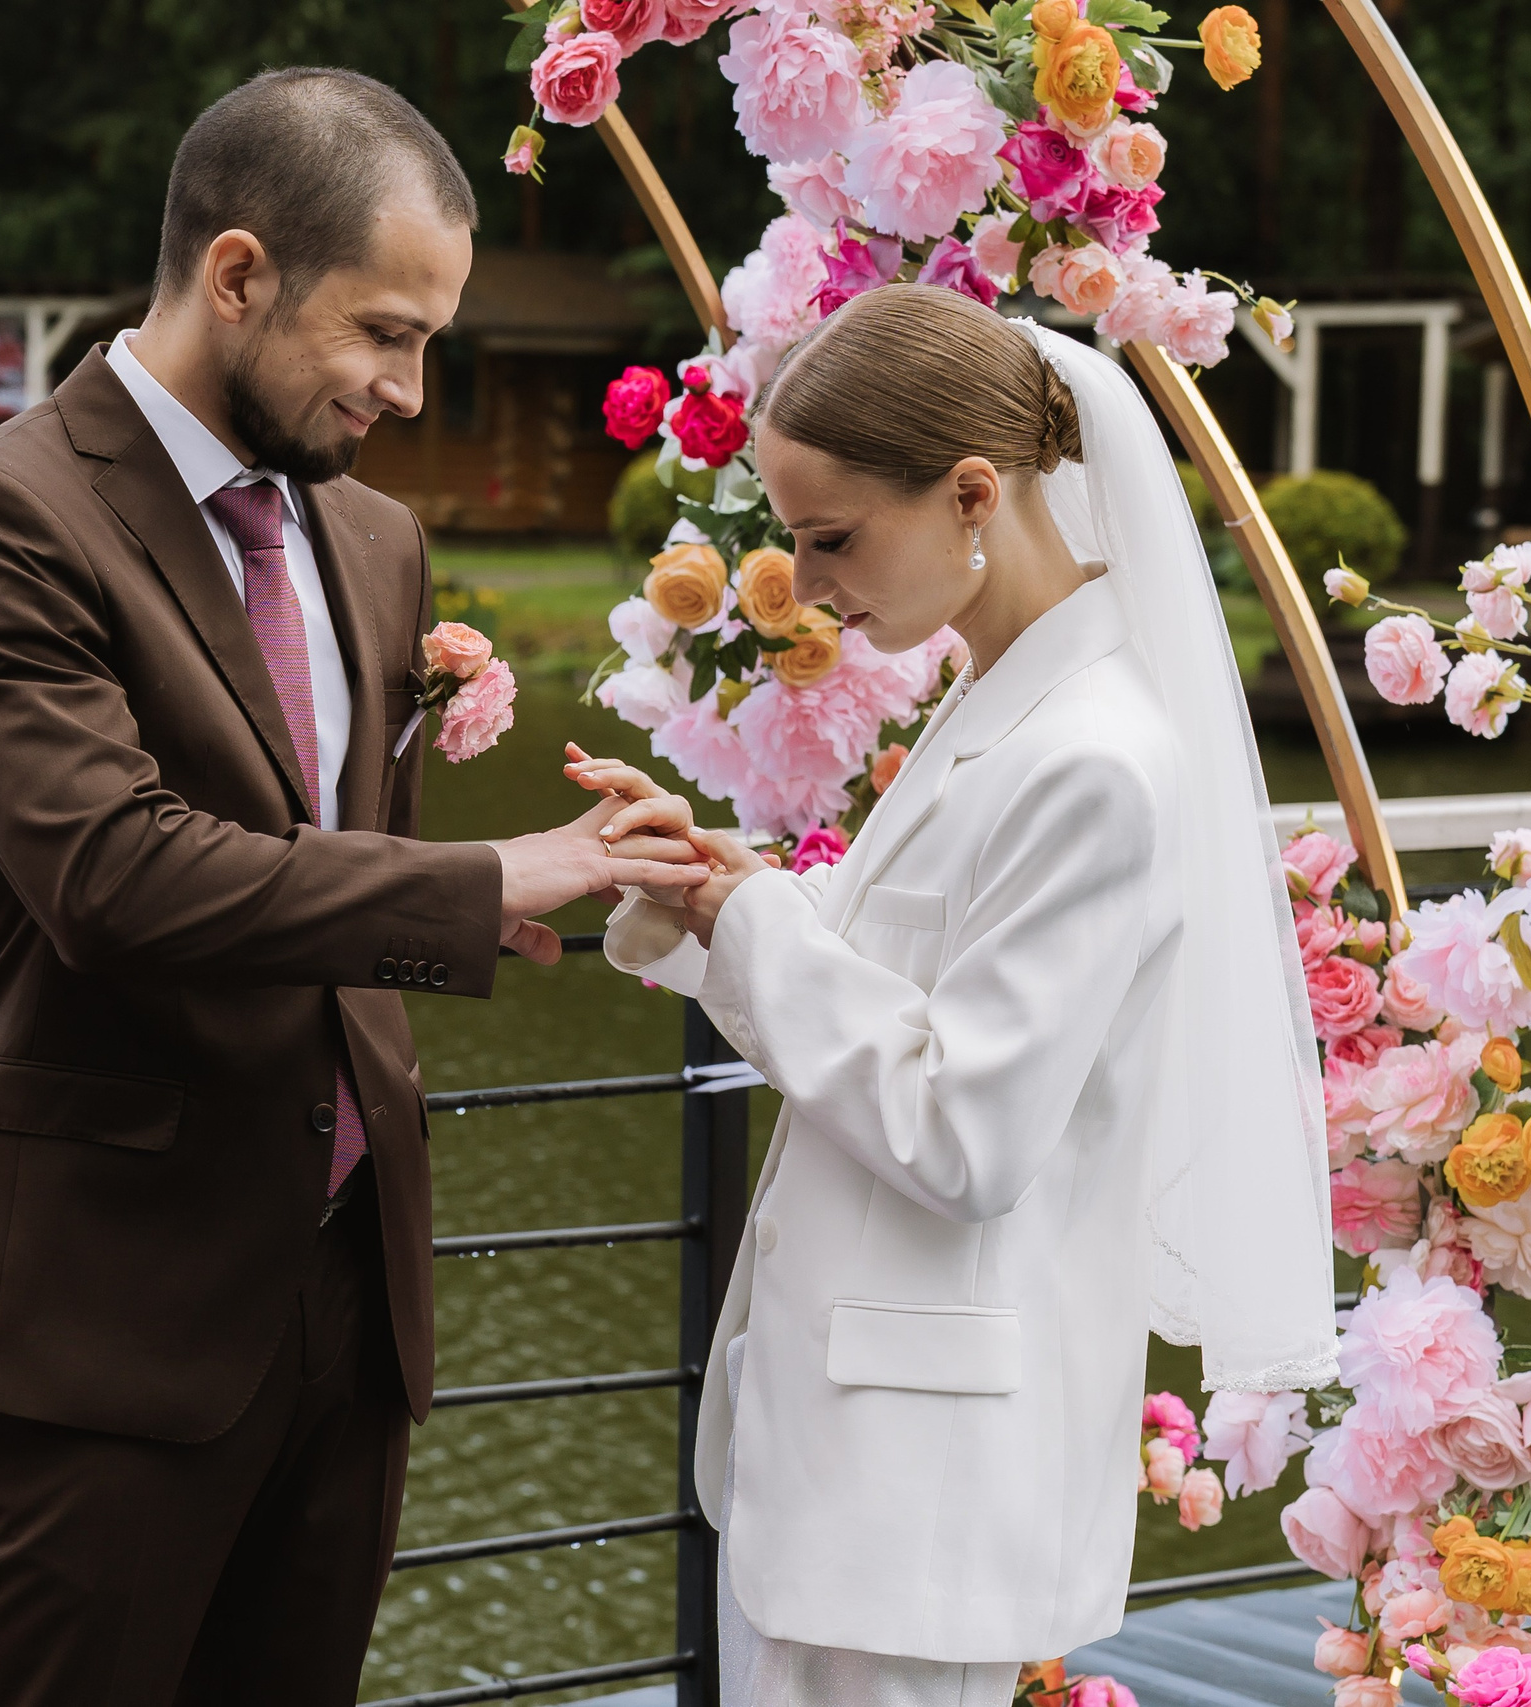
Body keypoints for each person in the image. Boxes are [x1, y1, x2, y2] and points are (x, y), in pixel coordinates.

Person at [0, 67, 707, 1707]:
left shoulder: (376, 539)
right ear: (239, 272)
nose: (407, 387)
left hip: (350, 1305)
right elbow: (111, 871)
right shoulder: (1, 516)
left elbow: (304, 872)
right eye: (384, 333)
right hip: (109, 1322)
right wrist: (475, 878)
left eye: (430, 341)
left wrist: (483, 901)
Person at [571, 286, 1339, 1706]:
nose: (799, 584)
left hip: (925, 1480)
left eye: (832, 535)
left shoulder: (1095, 756)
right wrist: (710, 892)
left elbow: (966, 1131)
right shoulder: (995, 704)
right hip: (854, 1453)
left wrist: (755, 919)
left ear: (974, 492)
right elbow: (882, 1004)